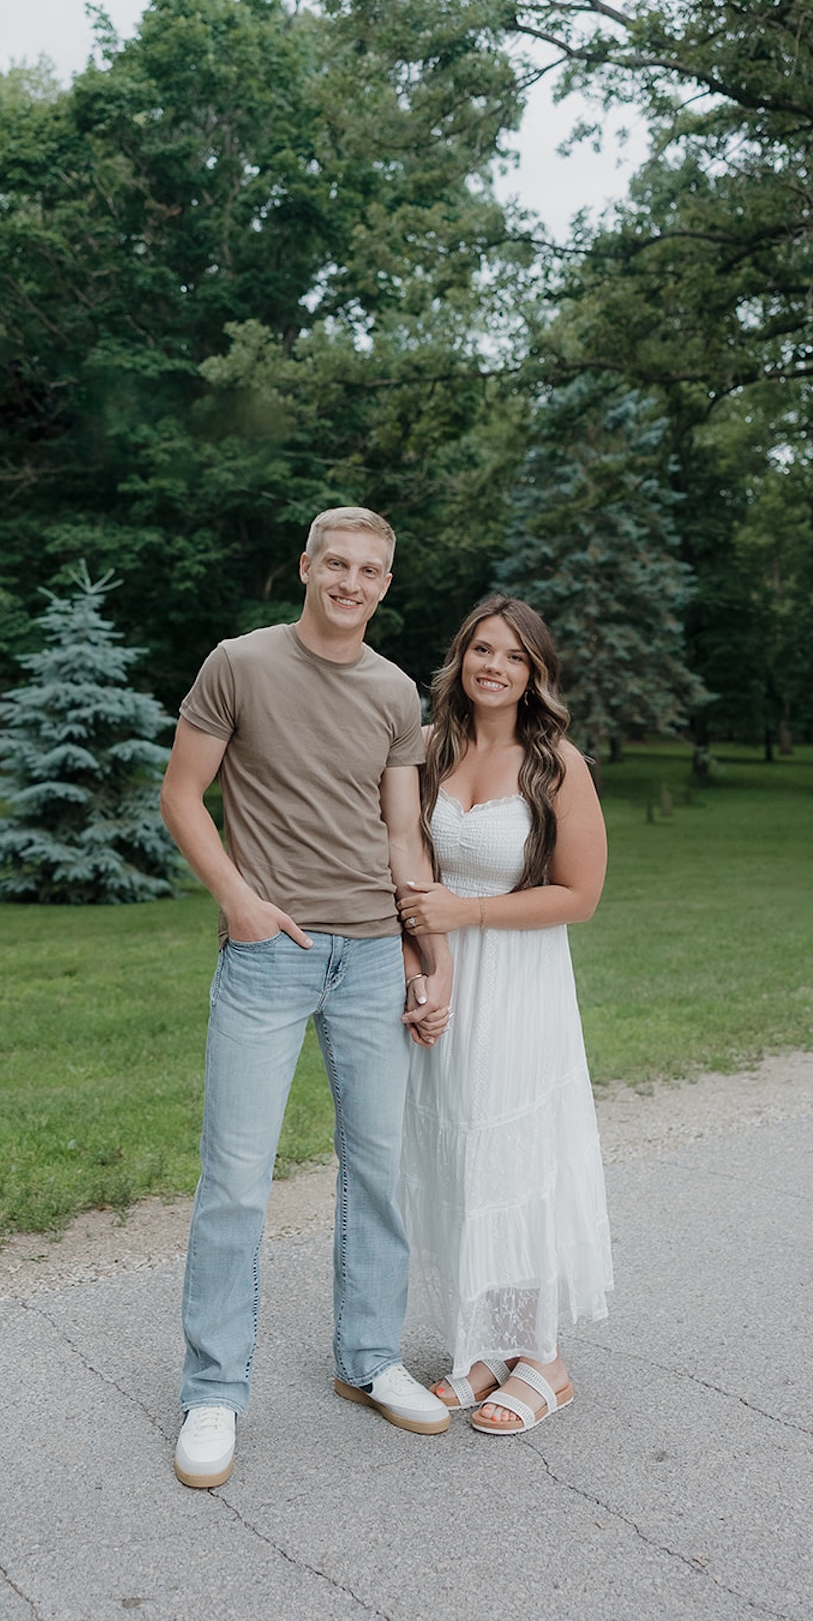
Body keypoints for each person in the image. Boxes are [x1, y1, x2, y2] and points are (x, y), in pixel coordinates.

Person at [159, 506, 454, 1489]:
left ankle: (368, 1360)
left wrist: (425, 951)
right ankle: (212, 1388)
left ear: (383, 584)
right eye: (337, 563)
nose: (352, 582)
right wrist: (239, 901)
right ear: (305, 566)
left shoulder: (392, 691)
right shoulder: (237, 664)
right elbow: (181, 795)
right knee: (236, 1176)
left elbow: (404, 837)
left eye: (371, 570)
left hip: (372, 955)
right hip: (269, 955)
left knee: (376, 1166)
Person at [395, 593, 612, 1434]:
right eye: (482, 649)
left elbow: (581, 896)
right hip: (446, 976)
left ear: (535, 674)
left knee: (515, 1158)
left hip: (519, 979)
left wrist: (466, 915)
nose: (495, 666)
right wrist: (425, 965)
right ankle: (486, 1343)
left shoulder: (556, 764)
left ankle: (545, 1361)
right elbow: (403, 867)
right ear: (461, 658)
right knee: (456, 1155)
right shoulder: (427, 750)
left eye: (514, 656)